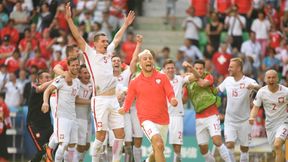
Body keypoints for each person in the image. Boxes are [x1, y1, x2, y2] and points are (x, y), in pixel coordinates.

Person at [65, 2, 135, 162]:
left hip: (113, 100)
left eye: (106, 41)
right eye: (103, 41)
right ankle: (95, 159)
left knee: (120, 135)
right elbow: (77, 36)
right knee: (101, 136)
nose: (106, 43)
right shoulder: (89, 53)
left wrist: (124, 25)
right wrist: (69, 20)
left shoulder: (109, 53)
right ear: (95, 43)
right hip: (100, 100)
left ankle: (116, 161)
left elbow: (117, 39)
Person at [119, 49, 178, 162]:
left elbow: (170, 92)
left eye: (150, 58)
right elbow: (129, 99)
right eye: (145, 59)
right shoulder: (135, 82)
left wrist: (173, 99)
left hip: (163, 120)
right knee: (159, 144)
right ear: (140, 64)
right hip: (146, 120)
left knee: (158, 150)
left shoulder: (162, 77)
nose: (148, 60)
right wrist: (124, 109)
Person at [182, 60, 232, 162]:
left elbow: (203, 84)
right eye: (197, 68)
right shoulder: (187, 83)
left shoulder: (208, 76)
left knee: (217, 141)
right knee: (203, 149)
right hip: (199, 117)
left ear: (204, 69)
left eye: (201, 68)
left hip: (212, 115)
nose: (199, 70)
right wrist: (180, 86)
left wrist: (191, 73)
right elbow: (184, 100)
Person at [42, 57, 85, 162]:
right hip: (61, 116)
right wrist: (45, 102)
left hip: (72, 117)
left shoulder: (77, 82)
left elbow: (75, 98)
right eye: (73, 65)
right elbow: (47, 90)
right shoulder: (61, 78)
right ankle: (50, 153)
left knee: (71, 146)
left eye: (77, 65)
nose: (75, 67)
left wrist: (91, 101)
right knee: (64, 143)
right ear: (68, 66)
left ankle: (50, 151)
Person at [218, 58, 260, 162]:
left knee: (244, 148)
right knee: (229, 144)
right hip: (230, 121)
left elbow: (260, 88)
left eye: (231, 67)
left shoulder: (249, 81)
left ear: (239, 68)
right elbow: (216, 90)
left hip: (244, 121)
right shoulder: (227, 80)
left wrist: (254, 87)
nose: (228, 69)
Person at [249, 69, 288, 162]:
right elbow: (255, 107)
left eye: (273, 77)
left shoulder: (286, 91)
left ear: (277, 79)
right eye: (269, 78)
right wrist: (251, 117)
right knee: (276, 150)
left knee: (277, 144)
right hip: (270, 125)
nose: (271, 80)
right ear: (265, 79)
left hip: (284, 122)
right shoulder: (262, 92)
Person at [163, 59, 190, 162]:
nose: (170, 70)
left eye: (172, 68)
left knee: (177, 147)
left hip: (176, 116)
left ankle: (177, 160)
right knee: (158, 144)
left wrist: (190, 68)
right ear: (164, 70)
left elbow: (194, 77)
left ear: (175, 69)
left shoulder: (179, 79)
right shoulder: (159, 80)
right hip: (162, 116)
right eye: (168, 68)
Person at [27, 71, 53, 162]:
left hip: (48, 125)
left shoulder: (52, 89)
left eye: (50, 77)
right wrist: (55, 80)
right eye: (46, 77)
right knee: (42, 150)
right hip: (34, 125)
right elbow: (40, 89)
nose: (49, 79)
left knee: (52, 150)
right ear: (39, 79)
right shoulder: (34, 87)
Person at [75, 64, 93, 162]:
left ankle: (79, 160)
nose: (87, 75)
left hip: (88, 117)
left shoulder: (92, 84)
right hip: (79, 117)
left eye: (88, 73)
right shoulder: (77, 83)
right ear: (80, 74)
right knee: (80, 145)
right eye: (85, 73)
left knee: (87, 145)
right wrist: (91, 101)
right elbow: (75, 100)